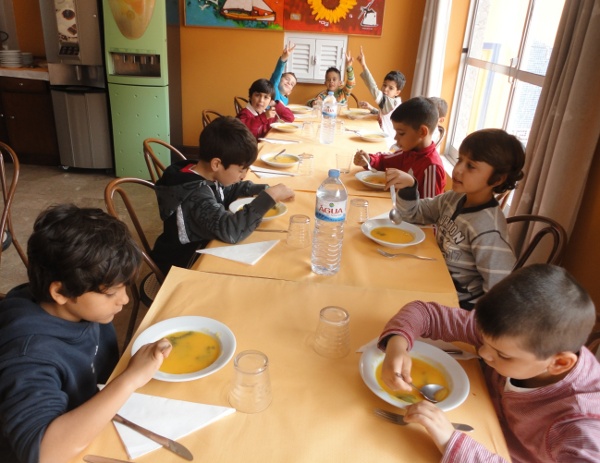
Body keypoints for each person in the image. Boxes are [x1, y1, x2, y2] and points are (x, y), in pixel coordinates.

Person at [0, 204, 172, 463]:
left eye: (124, 287)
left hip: (100, 419)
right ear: (60, 292)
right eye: (111, 293)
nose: (125, 300)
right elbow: (44, 453)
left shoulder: (81, 309)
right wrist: (129, 379)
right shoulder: (28, 355)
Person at [377, 264, 600, 462]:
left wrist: (449, 440)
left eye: (502, 355)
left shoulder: (581, 424)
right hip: (475, 416)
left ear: (560, 363)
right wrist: (397, 345)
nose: (483, 353)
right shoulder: (510, 334)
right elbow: (424, 313)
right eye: (483, 341)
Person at [389, 128, 525, 308]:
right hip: (433, 278)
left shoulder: (488, 230)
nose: (458, 170)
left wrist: (468, 320)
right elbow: (412, 215)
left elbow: (500, 292)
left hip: (456, 304)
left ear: (497, 179)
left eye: (471, 166)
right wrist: (409, 186)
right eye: (460, 160)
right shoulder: (454, 198)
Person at [151, 116, 295, 275]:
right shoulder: (194, 195)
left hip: (202, 250)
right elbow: (232, 231)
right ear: (216, 164)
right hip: (183, 265)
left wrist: (262, 189)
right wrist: (269, 196)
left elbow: (228, 190)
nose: (243, 176)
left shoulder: (205, 173)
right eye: (241, 170)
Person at [353, 96, 446, 199]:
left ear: (422, 132)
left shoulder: (432, 167)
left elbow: (431, 207)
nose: (395, 138)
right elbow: (384, 161)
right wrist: (369, 160)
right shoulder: (409, 152)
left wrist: (411, 188)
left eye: (401, 133)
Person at [356, 45, 406, 144]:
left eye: (391, 88)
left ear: (397, 92)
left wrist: (363, 65)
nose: (385, 89)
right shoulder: (395, 102)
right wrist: (371, 108)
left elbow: (373, 88)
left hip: (387, 143)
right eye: (384, 85)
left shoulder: (391, 103)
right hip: (385, 138)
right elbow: (385, 116)